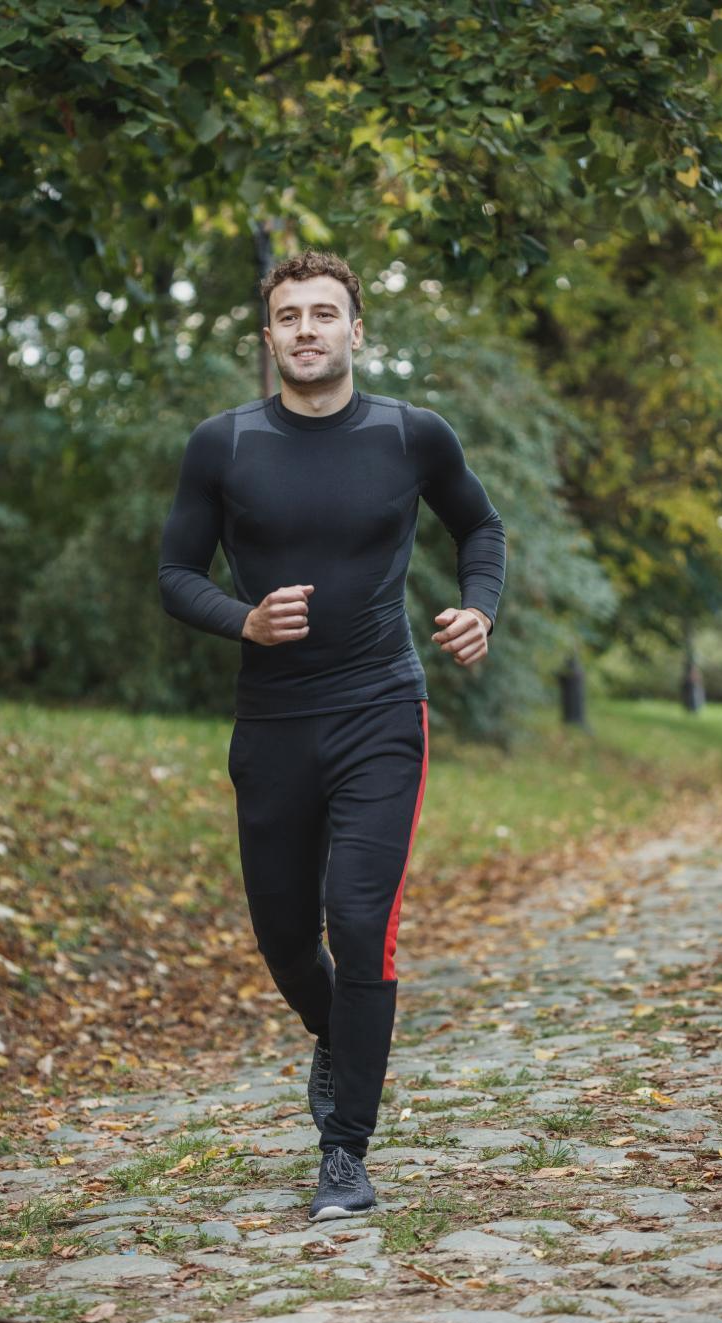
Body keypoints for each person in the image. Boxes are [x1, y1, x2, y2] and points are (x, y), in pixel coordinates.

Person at [158, 248, 506, 1221]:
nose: (306, 328)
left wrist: (480, 607)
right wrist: (243, 619)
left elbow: (480, 529)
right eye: (288, 315)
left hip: (379, 713)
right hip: (270, 725)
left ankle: (344, 1152)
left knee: (358, 923)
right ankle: (344, 1038)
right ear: (266, 339)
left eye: (324, 313)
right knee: (282, 938)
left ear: (357, 331)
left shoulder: (411, 437)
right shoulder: (222, 446)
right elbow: (176, 573)